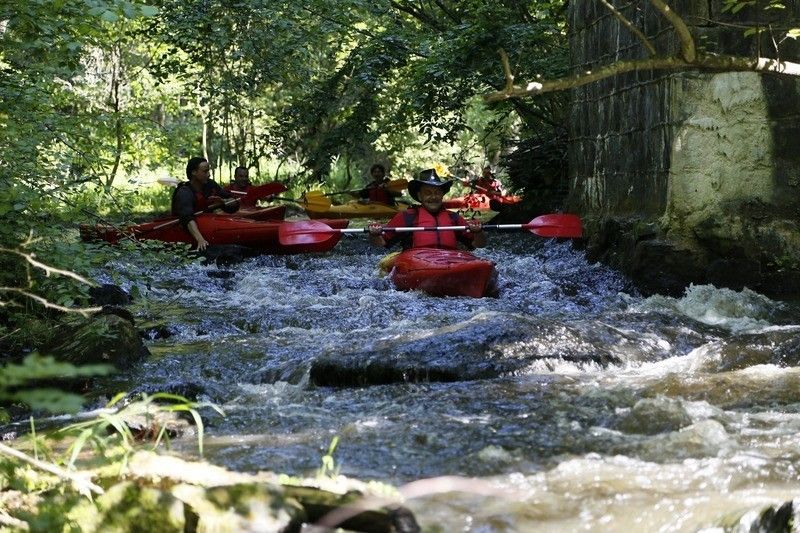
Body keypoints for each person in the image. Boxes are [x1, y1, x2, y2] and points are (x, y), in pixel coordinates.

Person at [368, 168, 486, 250]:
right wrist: (374, 234)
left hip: (449, 260)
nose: (433, 197)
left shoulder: (453, 218)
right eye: (428, 193)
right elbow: (381, 243)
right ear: (420, 196)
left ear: (442, 195)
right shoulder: (406, 217)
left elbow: (478, 245)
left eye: (437, 193)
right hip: (416, 263)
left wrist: (478, 232)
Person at [171, 157, 239, 251]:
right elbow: (187, 218)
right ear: (194, 172)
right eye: (205, 171)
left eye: (208, 171)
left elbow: (233, 202)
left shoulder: (210, 185)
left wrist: (223, 203)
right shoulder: (184, 191)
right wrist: (200, 239)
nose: (208, 174)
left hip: (207, 224)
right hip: (185, 227)